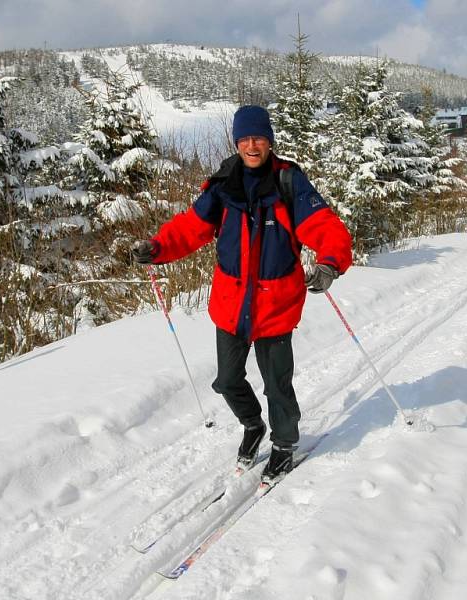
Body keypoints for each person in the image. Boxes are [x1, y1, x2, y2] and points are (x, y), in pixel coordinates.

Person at [132, 105, 352, 484]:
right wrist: (158, 247)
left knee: (277, 386)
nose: (252, 145)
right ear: (237, 142)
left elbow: (323, 224)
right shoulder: (223, 184)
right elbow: (191, 227)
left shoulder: (288, 181)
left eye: (259, 138)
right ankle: (253, 426)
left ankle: (284, 444)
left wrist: (330, 262)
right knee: (228, 380)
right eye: (245, 139)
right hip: (231, 306)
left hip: (276, 305)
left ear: (269, 141)